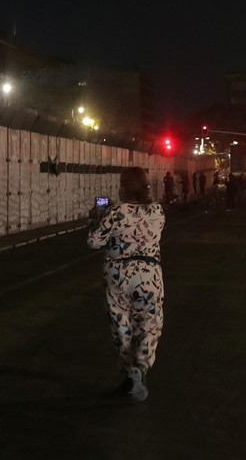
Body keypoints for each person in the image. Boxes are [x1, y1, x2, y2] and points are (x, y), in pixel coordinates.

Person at [86, 166, 165, 402]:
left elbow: (93, 242)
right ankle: (140, 366)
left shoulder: (115, 212)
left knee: (121, 325)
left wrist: (96, 218)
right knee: (149, 324)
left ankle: (129, 374)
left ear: (124, 186)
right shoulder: (158, 211)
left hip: (117, 274)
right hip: (149, 274)